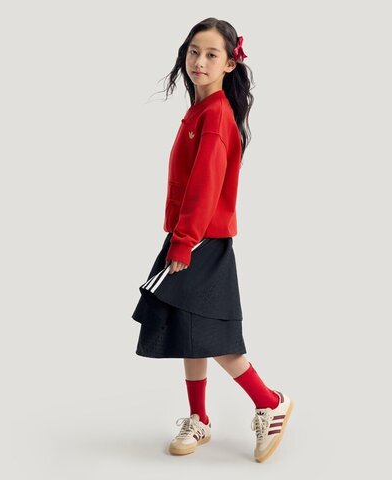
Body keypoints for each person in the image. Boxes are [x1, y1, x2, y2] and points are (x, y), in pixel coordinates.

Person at [131, 17, 293, 463]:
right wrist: (180, 236)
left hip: (201, 240)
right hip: (191, 235)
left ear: (229, 64)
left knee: (213, 334)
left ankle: (269, 402)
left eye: (211, 54)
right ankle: (199, 417)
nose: (199, 61)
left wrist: (184, 241)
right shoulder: (201, 111)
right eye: (193, 52)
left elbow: (205, 187)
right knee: (189, 330)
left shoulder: (216, 115)